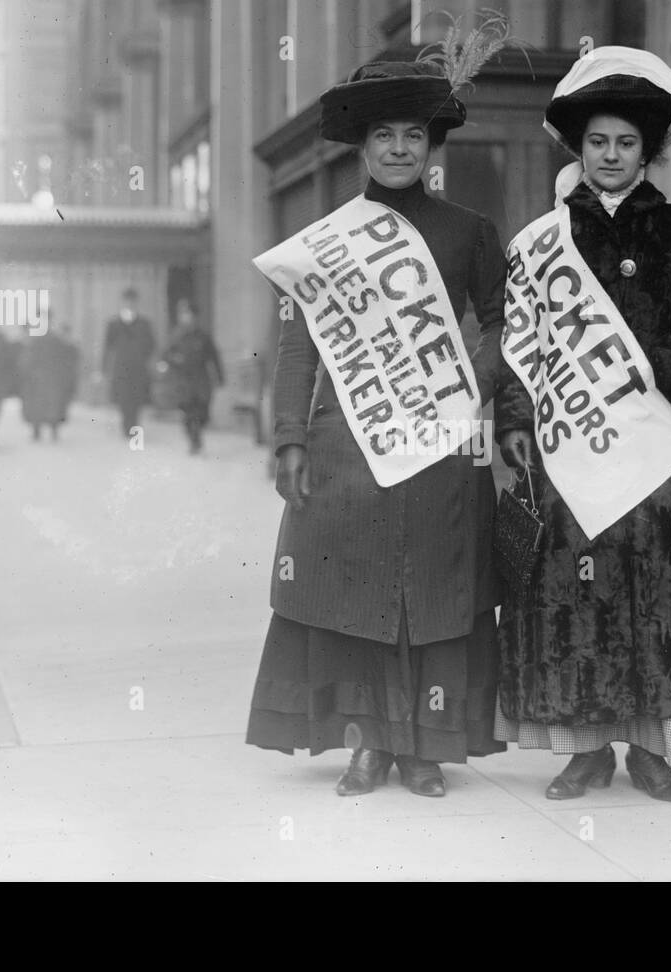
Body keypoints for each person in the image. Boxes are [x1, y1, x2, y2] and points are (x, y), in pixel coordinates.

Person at [245, 52, 509, 798]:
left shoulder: (468, 232)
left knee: (432, 591)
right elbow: (298, 348)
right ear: (360, 146)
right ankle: (367, 744)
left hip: (440, 441)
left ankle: (423, 746)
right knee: (355, 591)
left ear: (433, 148)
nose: (399, 148)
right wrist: (289, 439)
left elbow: (504, 322)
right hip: (348, 445)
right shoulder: (326, 240)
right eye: (385, 134)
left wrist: (473, 391)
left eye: (414, 136)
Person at [495, 47, 671, 802]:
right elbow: (517, 346)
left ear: (648, 150)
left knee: (665, 593)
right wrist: (512, 419)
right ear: (580, 147)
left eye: (626, 143)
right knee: (579, 598)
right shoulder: (539, 243)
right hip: (570, 446)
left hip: (658, 447)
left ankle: (656, 749)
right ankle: (585, 748)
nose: (610, 155)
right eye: (598, 142)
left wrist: (658, 366)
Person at [160, 299, 223, 454]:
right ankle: (194, 441)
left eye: (191, 315)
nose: (188, 318)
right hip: (183, 381)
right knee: (188, 413)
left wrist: (220, 377)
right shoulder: (176, 336)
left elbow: (214, 357)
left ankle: (196, 435)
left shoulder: (203, 336)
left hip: (201, 379)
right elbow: (165, 355)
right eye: (185, 315)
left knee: (202, 413)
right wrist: (174, 359)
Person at [102, 287, 156, 437]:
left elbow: (151, 344)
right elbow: (107, 347)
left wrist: (142, 357)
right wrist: (104, 368)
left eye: (132, 301)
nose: (129, 304)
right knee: (124, 399)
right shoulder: (114, 324)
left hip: (138, 369)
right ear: (122, 303)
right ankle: (127, 425)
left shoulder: (144, 324)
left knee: (137, 400)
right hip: (121, 368)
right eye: (127, 301)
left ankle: (134, 424)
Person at [20, 324, 79, 441]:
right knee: (53, 404)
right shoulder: (58, 340)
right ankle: (53, 429)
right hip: (53, 378)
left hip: (38, 378)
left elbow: (27, 360)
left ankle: (37, 430)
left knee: (38, 404)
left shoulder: (35, 341)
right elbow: (70, 357)